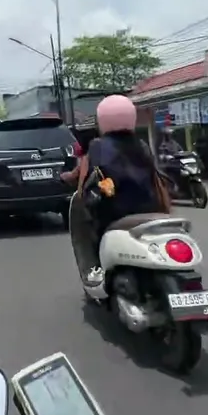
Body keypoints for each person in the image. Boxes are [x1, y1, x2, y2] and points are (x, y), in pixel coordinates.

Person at [62, 95, 172, 286]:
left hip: (113, 214)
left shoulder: (97, 146)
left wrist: (66, 177)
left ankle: (96, 268)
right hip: (150, 209)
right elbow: (157, 178)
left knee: (89, 226)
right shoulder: (142, 145)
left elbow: (81, 182)